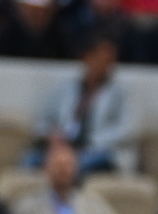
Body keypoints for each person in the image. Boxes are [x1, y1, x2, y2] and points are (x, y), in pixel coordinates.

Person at [33, 36, 143, 173]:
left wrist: (91, 141)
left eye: (109, 61)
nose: (104, 65)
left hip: (98, 150)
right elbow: (44, 120)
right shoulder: (66, 88)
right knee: (31, 160)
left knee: (80, 164)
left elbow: (128, 128)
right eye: (100, 58)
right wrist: (52, 135)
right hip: (63, 147)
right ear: (87, 58)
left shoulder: (119, 93)